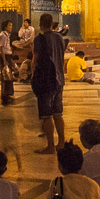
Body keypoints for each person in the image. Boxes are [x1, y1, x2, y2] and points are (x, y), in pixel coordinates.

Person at [31, 12, 65, 155]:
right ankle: (61, 142)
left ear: (40, 24)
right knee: (58, 113)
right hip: (59, 79)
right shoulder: (59, 37)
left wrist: (33, 75)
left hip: (46, 80)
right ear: (52, 23)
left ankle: (50, 146)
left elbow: (35, 59)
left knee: (46, 115)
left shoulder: (40, 39)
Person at [0, 102, 22, 172]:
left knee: (4, 152)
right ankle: (20, 167)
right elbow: (19, 121)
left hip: (3, 136)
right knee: (17, 152)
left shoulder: (0, 112)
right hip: (13, 135)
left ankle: (2, 166)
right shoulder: (13, 111)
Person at [0, 19, 15, 105]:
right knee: (5, 75)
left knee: (9, 75)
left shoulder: (7, 35)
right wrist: (4, 60)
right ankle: (4, 94)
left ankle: (9, 92)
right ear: (5, 27)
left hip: (8, 56)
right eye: (9, 25)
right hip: (4, 57)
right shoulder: (3, 35)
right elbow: (1, 48)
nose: (11, 27)